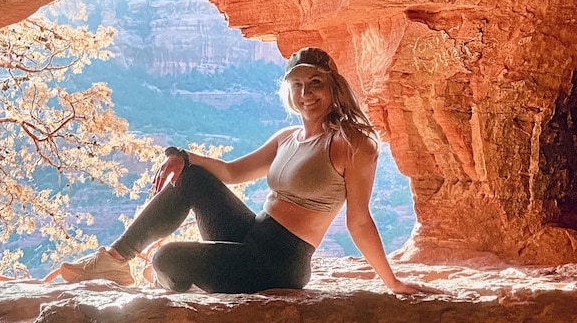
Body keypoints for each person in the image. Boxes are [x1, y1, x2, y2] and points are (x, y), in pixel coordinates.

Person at [59, 47, 428, 295]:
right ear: (288, 91)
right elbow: (232, 173)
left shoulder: (353, 143)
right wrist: (184, 157)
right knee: (192, 177)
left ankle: (174, 275)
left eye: (316, 83)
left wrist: (391, 282)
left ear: (334, 87)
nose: (306, 93)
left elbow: (359, 220)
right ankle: (115, 261)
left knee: (166, 257)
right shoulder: (287, 137)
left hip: (280, 262)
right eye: (297, 85)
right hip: (251, 234)